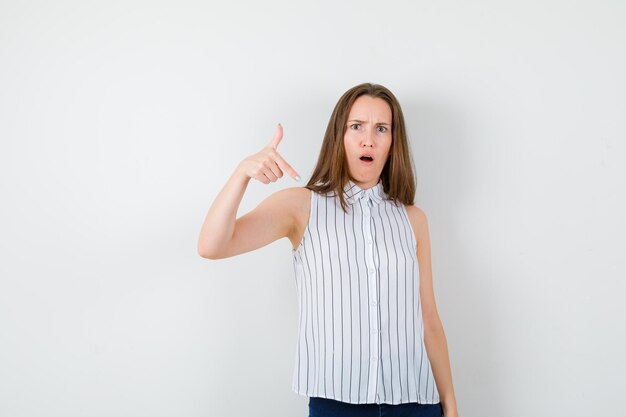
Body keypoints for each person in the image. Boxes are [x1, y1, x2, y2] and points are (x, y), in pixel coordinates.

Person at [197, 83, 459, 417]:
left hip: (416, 403)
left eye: (382, 129)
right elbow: (211, 246)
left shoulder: (413, 220)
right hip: (336, 404)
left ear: (393, 144)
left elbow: (429, 320)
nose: (369, 140)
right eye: (356, 127)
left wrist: (450, 406)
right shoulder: (301, 206)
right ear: (340, 137)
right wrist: (242, 174)